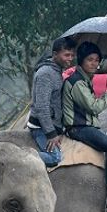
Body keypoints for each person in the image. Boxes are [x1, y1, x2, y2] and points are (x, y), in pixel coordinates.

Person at [63, 41, 107, 202]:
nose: (94, 63)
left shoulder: (86, 79)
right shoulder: (77, 82)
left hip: (89, 127)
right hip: (78, 128)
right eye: (90, 60)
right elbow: (94, 107)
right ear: (81, 60)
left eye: (97, 60)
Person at [27, 37, 77, 167]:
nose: (70, 59)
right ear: (55, 54)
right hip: (40, 127)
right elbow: (42, 106)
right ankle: (21, 156)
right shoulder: (46, 74)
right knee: (55, 158)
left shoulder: (57, 70)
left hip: (53, 124)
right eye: (66, 55)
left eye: (72, 55)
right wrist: (51, 134)